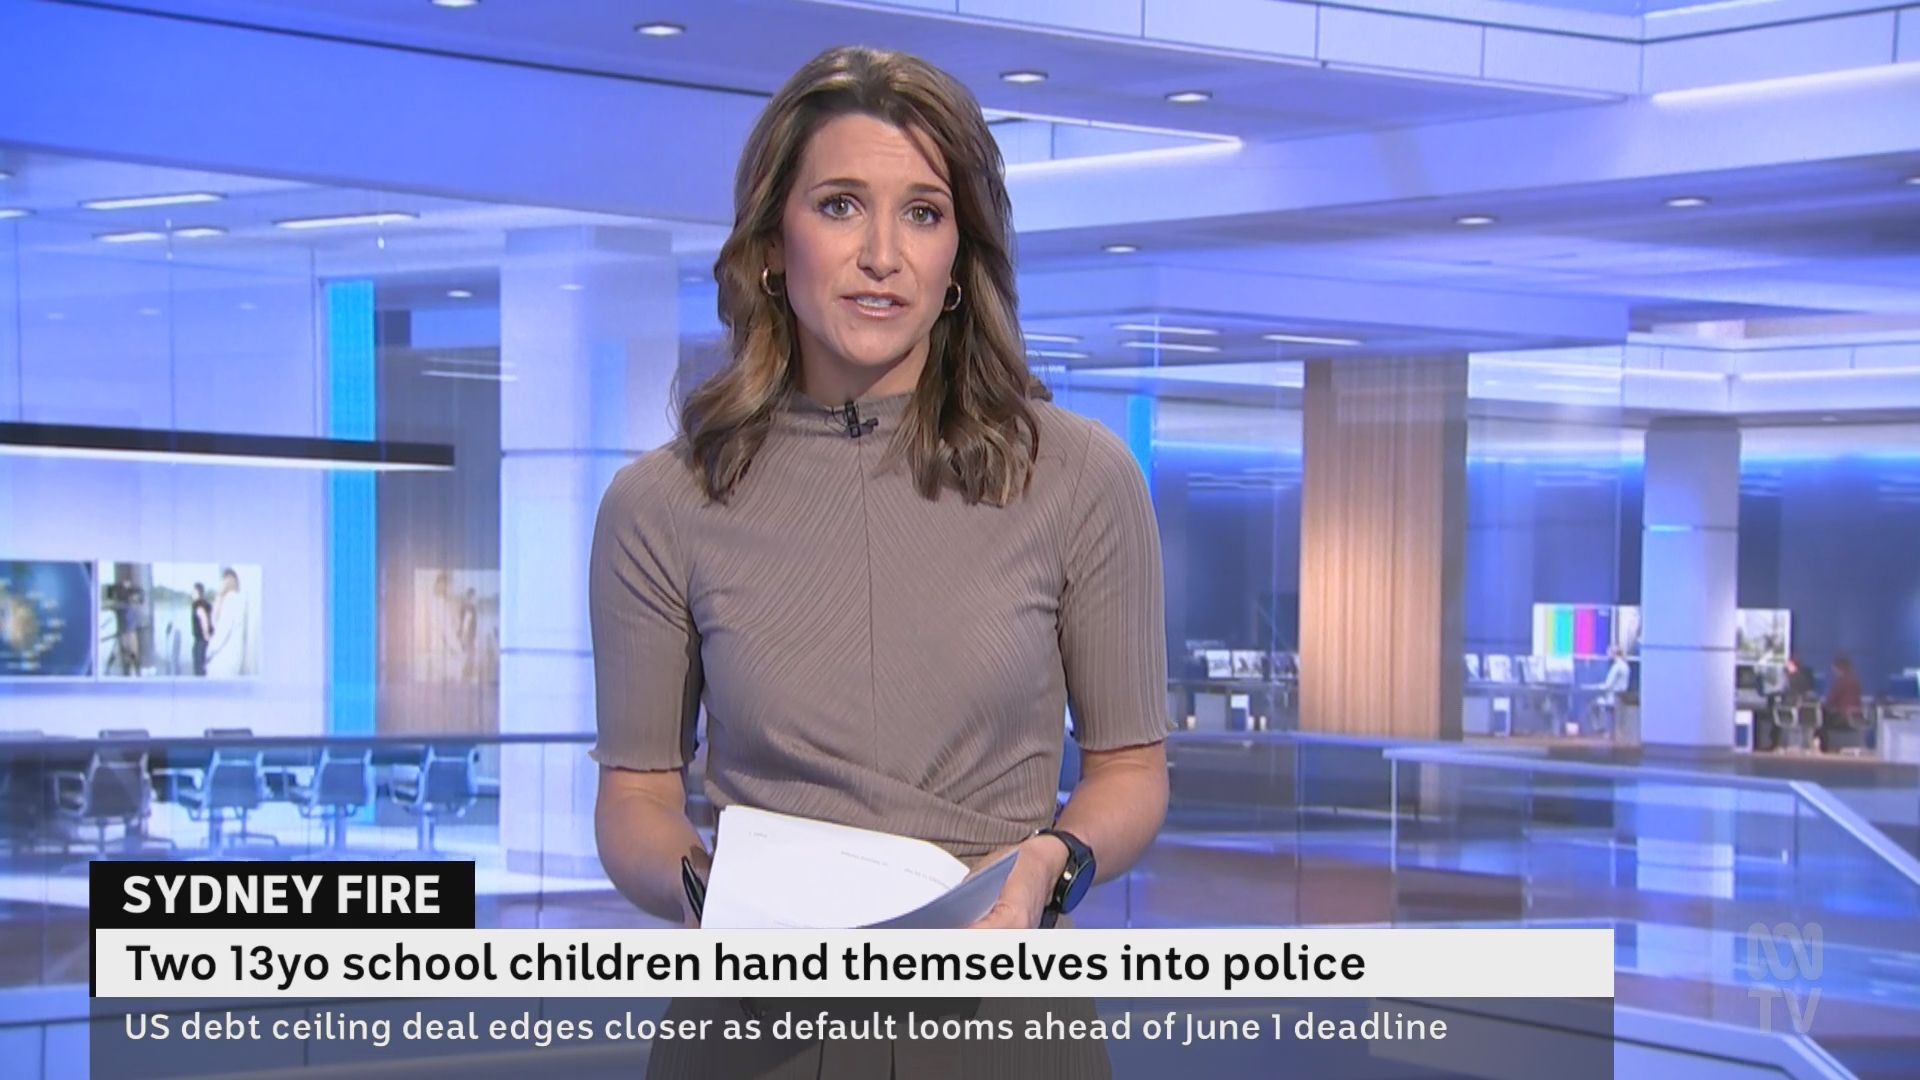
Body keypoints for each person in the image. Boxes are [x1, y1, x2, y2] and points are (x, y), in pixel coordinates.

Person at [589, 45, 1169, 1079]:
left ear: (960, 258)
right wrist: (714, 901)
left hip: (999, 1028)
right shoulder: (663, 502)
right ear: (774, 244)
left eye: (924, 213)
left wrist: (1052, 865)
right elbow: (635, 799)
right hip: (756, 1033)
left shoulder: (1080, 477)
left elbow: (1130, 772)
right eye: (842, 206)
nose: (883, 255)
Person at [204, 568, 250, 677]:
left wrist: (209, 652)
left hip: (224, 662)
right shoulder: (237, 600)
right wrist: (219, 597)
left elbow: (221, 632)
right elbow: (215, 621)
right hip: (232, 661)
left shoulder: (232, 599)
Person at [1820, 655, 1864, 752]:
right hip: (1856, 716)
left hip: (1843, 717)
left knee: (1820, 720)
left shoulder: (1840, 681)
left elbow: (1831, 700)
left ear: (1838, 668)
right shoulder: (1855, 680)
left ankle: (1825, 749)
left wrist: (1824, 705)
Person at [191, 583, 212, 677]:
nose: (192, 594)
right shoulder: (207, 605)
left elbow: (203, 619)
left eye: (193, 592)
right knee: (203, 666)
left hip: (200, 641)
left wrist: (206, 635)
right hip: (203, 641)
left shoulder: (198, 605)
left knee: (199, 668)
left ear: (197, 592)